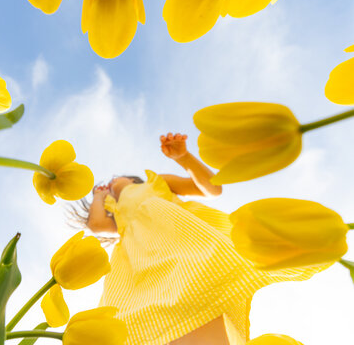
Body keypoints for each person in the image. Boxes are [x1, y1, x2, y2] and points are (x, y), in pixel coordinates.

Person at [71, 133, 323, 345]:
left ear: (134, 180)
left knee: (202, 281)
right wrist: (99, 197)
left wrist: (184, 158)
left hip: (181, 237)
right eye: (109, 183)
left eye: (117, 178)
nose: (112, 181)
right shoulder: (115, 213)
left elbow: (213, 188)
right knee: (139, 314)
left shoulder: (156, 183)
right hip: (139, 261)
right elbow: (96, 224)